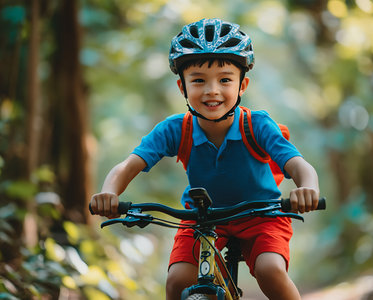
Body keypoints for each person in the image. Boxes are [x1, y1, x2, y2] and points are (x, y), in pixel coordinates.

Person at [90, 18, 320, 300]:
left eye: (225, 79)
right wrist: (108, 192)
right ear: (182, 87)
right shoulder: (176, 129)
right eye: (198, 80)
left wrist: (307, 187)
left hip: (262, 216)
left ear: (242, 85)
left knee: (270, 270)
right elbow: (129, 165)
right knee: (177, 281)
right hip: (203, 219)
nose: (212, 90)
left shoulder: (257, 125)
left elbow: (297, 164)